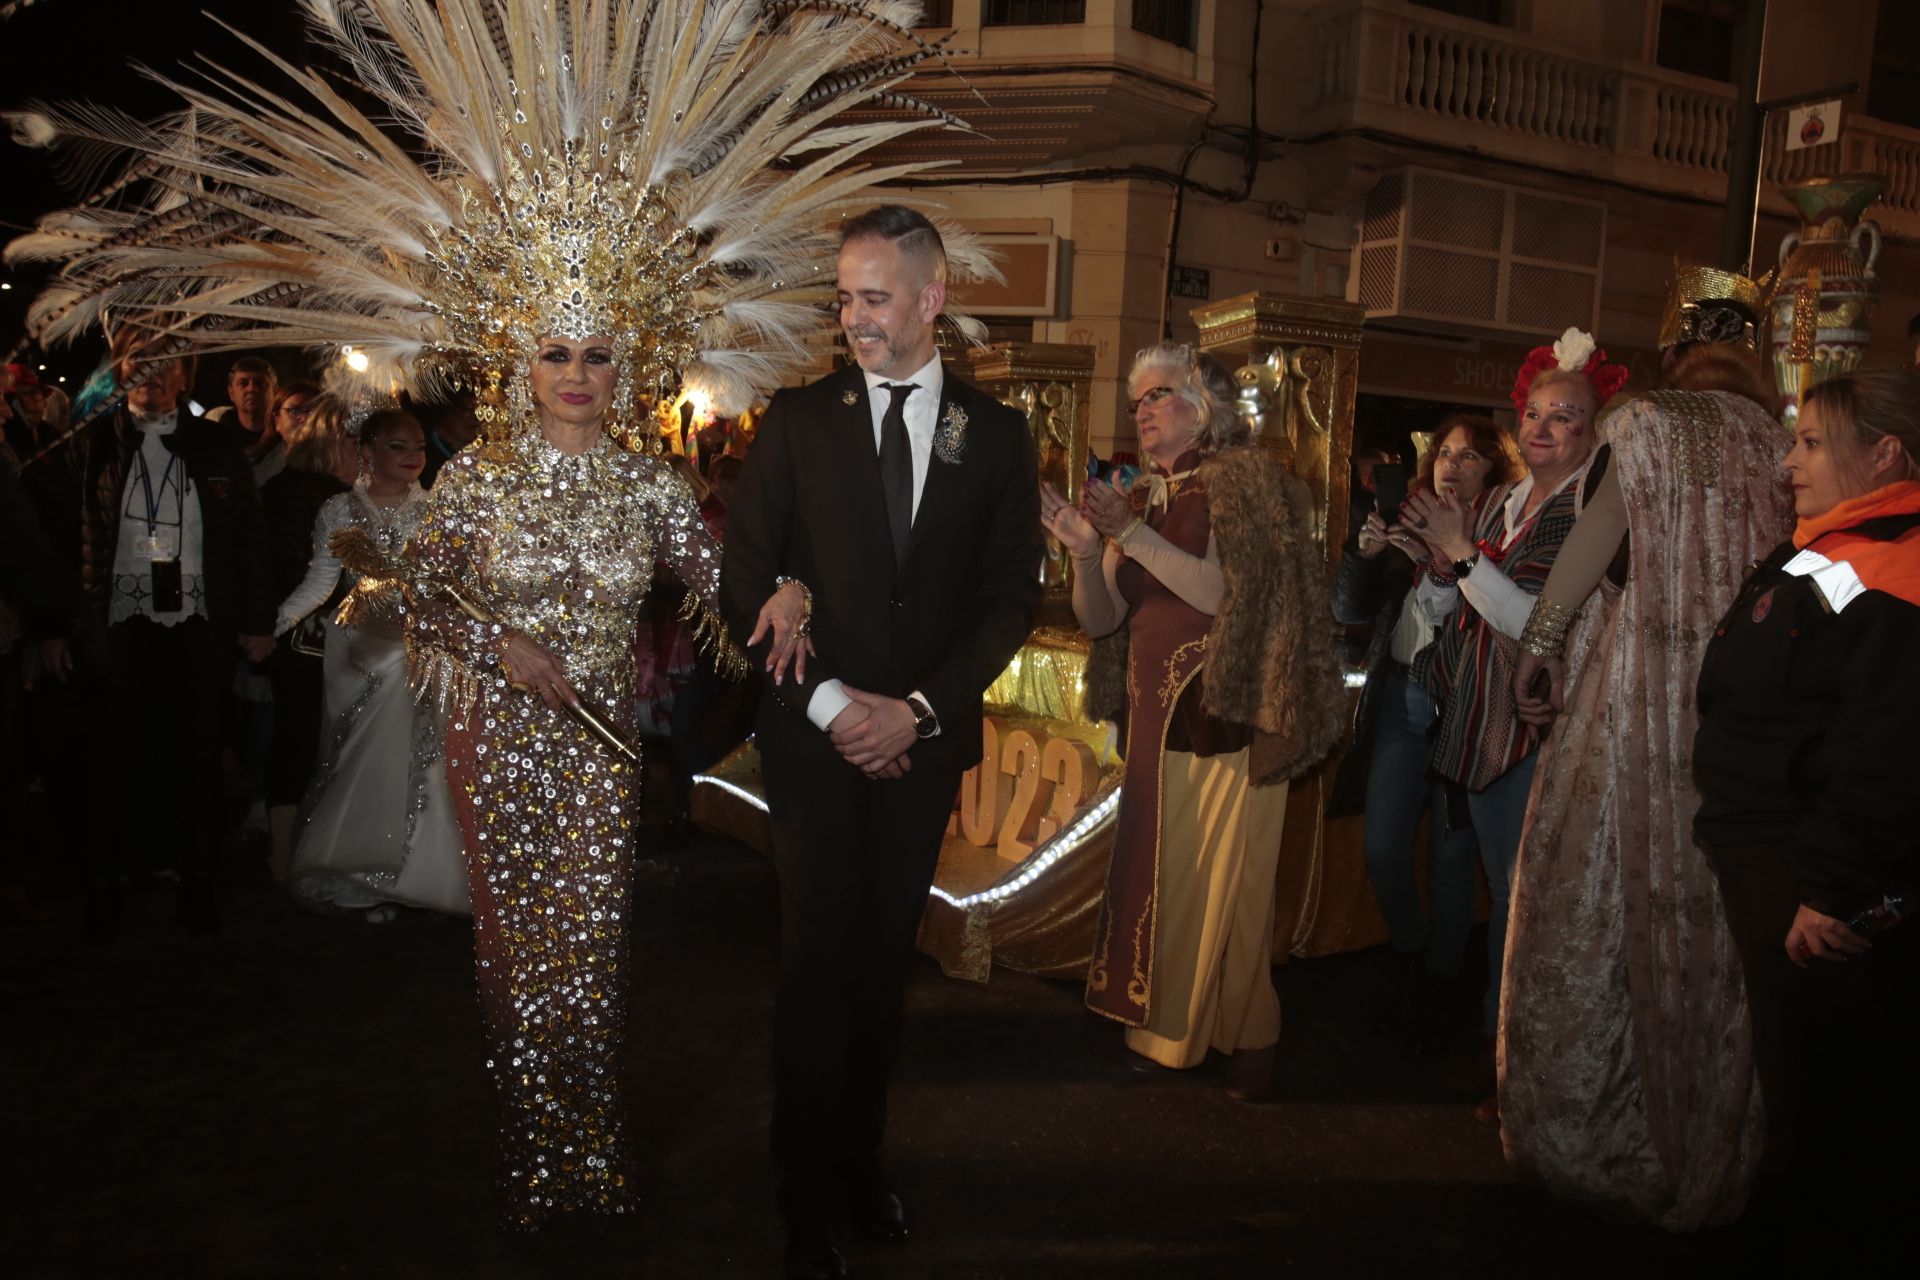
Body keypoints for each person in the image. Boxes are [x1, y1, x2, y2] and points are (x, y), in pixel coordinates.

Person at [12, 0, 999, 1244]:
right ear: (516, 361)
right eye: (553, 352)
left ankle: (590, 1151)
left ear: (622, 360)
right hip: (499, 730)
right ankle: (541, 1151)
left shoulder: (649, 480)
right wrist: (500, 647)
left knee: (594, 953)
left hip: (597, 742)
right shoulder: (476, 477)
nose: (576, 372)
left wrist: (789, 587)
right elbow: (423, 593)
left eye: (594, 351)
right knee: (511, 950)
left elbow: (725, 579)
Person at [721, 205, 1041, 1280]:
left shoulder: (995, 435)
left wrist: (917, 712)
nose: (851, 317)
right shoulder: (799, 419)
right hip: (814, 749)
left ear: (930, 300)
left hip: (921, 748)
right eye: (844, 297)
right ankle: (804, 1195)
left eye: (872, 297)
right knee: (816, 967)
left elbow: (1008, 599)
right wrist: (837, 711)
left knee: (879, 972)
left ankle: (860, 1167)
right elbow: (746, 577)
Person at [1498, 269, 1792, 1228]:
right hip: (1741, 706)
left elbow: (1600, 539)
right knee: (1713, 914)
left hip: (1638, 695)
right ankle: (1711, 1124)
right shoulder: (1778, 439)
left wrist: (1539, 649)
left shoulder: (1647, 426)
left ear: (1674, 348)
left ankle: (1606, 1135)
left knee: (1596, 888)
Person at [1043, 342, 1342, 1098]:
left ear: (1203, 409)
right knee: (1169, 875)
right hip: (1153, 713)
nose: (1143, 409)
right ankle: (1192, 1028)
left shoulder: (1243, 485)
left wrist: (1129, 535)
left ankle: (1246, 1036)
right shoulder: (1142, 495)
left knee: (1227, 886)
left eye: (1160, 395)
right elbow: (1105, 620)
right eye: (1138, 398)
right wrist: (1086, 551)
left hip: (1225, 713)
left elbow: (1224, 597)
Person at [1693, 369, 1920, 1259]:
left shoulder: (1897, 565)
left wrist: (1830, 888)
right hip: (1770, 853)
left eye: (1813, 443)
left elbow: (1886, 752)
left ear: (1885, 454)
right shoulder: (1837, 542)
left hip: (1813, 870)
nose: (1790, 461)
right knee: (1796, 1078)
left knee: (1834, 1097)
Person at [1402, 328, 1623, 1114]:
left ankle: (1512, 1059)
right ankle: (1490, 1041)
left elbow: (1544, 625)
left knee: (1521, 896)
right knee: (1491, 889)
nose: (1542, 426)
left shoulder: (1591, 511)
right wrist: (1439, 564)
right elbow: (1438, 612)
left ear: (1596, 430)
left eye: (1565, 415)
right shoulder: (1501, 498)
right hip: (1474, 716)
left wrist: (1463, 558)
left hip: (1534, 727)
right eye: (1534, 411)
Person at [77, 341, 276, 936]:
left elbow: (249, 536)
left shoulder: (215, 445)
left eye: (168, 365)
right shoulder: (96, 443)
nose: (153, 376)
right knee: (117, 753)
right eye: (140, 365)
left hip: (198, 620)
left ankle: (196, 880)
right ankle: (107, 881)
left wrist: (257, 620)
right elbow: (76, 534)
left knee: (198, 753)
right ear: (120, 374)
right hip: (121, 621)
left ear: (186, 375)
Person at [1337, 414, 1520, 1056]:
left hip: (1465, 711)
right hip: (1400, 703)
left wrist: (1456, 558)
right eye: (1445, 453)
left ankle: (1439, 982)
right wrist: (1364, 557)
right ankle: (1412, 955)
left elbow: (1516, 621)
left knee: (1449, 863)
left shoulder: (1502, 533)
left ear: (1494, 472)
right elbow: (1347, 612)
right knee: (1384, 849)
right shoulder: (1403, 526)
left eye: (1471, 457)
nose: (1453, 465)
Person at [275, 407, 468, 919]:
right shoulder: (337, 510)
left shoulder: (436, 510)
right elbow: (320, 582)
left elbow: (454, 586)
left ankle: (415, 873)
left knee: (425, 759)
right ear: (367, 451)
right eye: (398, 447)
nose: (411, 458)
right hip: (358, 648)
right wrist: (270, 624)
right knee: (355, 758)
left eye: (419, 448)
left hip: (422, 647)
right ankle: (356, 870)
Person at [258, 396, 355, 880]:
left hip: (343, 639)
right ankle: (285, 849)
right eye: (356, 440)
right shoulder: (298, 494)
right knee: (299, 736)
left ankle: (314, 847)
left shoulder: (350, 494)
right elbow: (296, 567)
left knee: (326, 740)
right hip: (306, 637)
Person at [204, 355, 282, 484]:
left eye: (260, 383)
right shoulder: (214, 425)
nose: (251, 389)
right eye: (243, 383)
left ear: (275, 392)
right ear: (231, 393)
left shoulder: (284, 434)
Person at [418, 389, 480, 488]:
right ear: (445, 409)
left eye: (481, 409)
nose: (478, 416)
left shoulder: (480, 454)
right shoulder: (421, 457)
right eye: (468, 408)